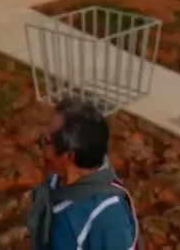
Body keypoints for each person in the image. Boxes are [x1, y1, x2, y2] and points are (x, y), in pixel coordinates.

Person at [27, 97, 139, 249]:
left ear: (69, 156)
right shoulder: (56, 180)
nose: (39, 144)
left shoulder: (108, 216)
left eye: (45, 141)